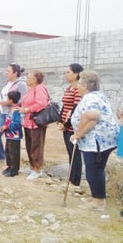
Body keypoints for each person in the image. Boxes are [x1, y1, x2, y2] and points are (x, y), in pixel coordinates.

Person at [70, 70, 120, 211]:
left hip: (97, 141)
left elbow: (92, 116)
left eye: (79, 82)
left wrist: (77, 134)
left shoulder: (90, 98)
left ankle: (98, 203)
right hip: (101, 139)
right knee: (96, 168)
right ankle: (97, 197)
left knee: (94, 169)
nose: (77, 86)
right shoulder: (96, 96)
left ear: (85, 85)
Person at [0, 63, 27, 162]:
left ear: (15, 73)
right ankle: (0, 155)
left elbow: (24, 100)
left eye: (8, 71)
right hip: (3, 112)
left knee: (11, 138)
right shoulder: (8, 83)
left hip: (13, 114)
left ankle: (10, 160)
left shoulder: (21, 84)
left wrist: (9, 103)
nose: (6, 73)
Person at [57, 63, 84, 193]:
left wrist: (66, 124)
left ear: (76, 74)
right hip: (65, 125)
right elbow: (65, 106)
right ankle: (71, 177)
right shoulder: (69, 88)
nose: (66, 74)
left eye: (68, 72)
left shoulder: (79, 88)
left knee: (75, 154)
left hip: (73, 127)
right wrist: (60, 121)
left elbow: (76, 108)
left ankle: (76, 181)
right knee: (70, 153)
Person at [18, 70, 50, 180]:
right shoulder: (31, 89)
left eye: (28, 77)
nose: (26, 79)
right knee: (30, 145)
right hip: (28, 121)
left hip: (36, 122)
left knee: (36, 146)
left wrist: (27, 109)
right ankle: (32, 166)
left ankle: (37, 169)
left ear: (35, 79)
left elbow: (41, 104)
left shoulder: (40, 88)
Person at [0, 91, 23, 177]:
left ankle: (14, 170)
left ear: (11, 100)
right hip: (9, 135)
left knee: (14, 152)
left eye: (7, 98)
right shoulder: (11, 109)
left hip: (15, 135)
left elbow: (17, 123)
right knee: (8, 151)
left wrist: (7, 127)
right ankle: (9, 167)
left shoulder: (16, 111)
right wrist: (5, 127)